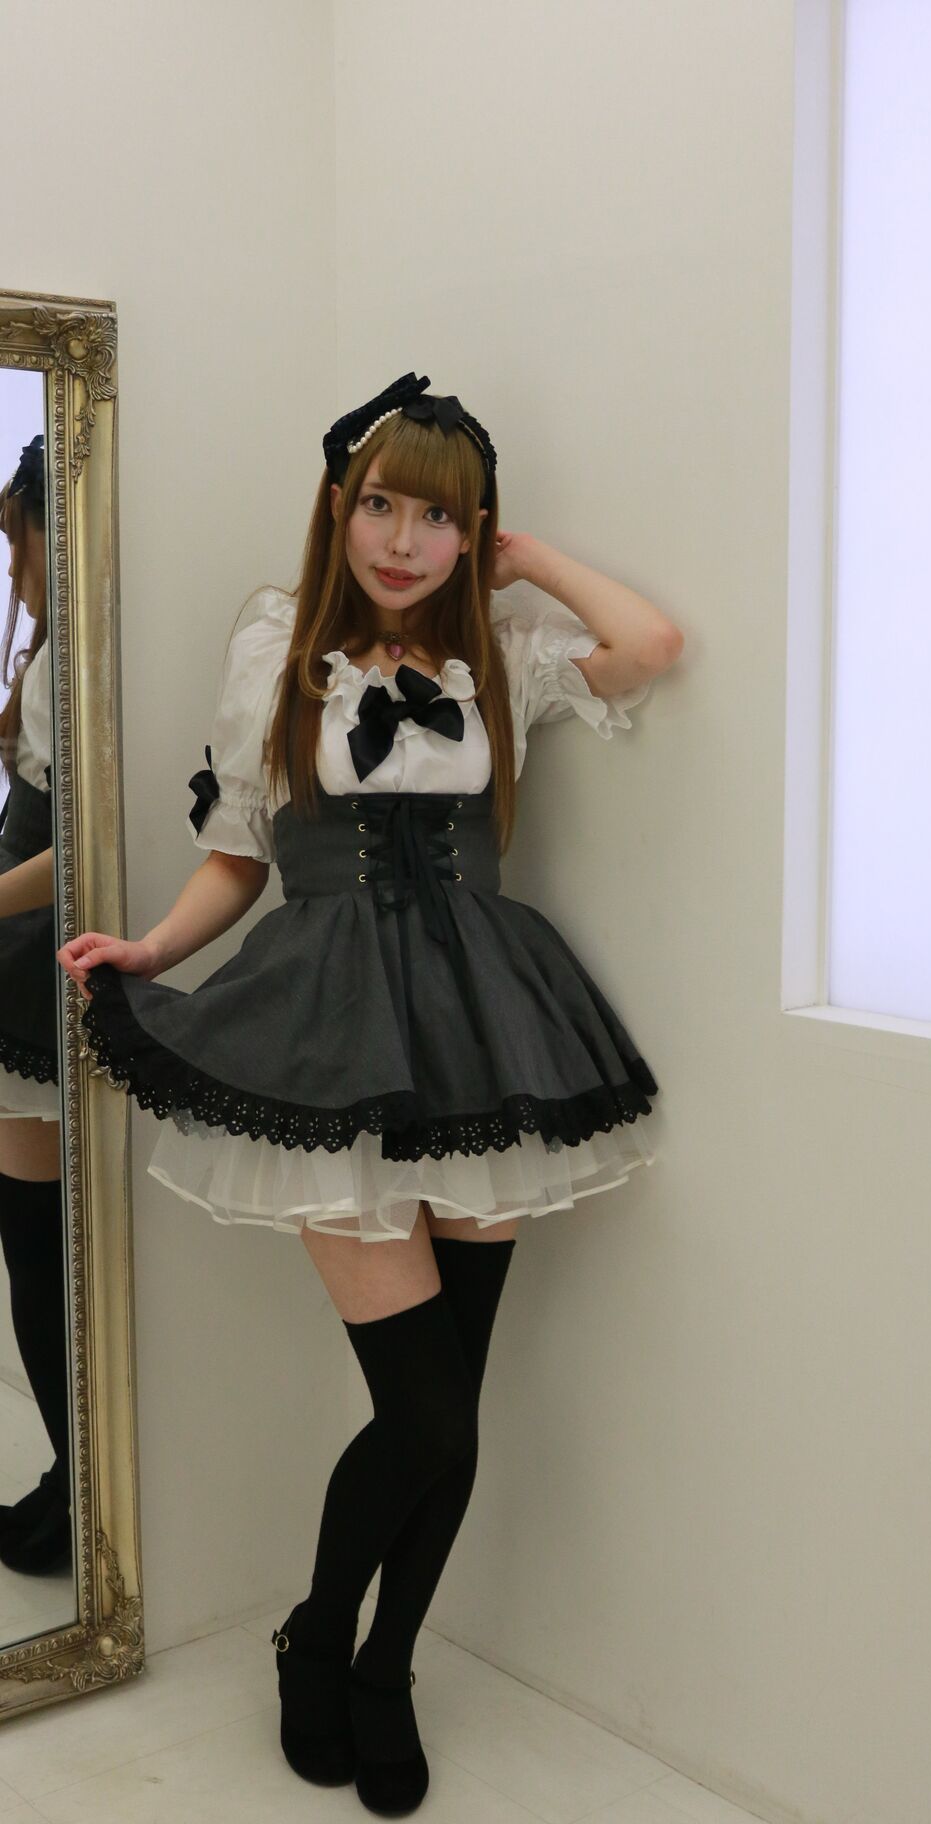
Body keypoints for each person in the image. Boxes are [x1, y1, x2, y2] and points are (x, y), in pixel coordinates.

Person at [56, 372, 683, 1816]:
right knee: (430, 1416)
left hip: (485, 1039)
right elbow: (240, 850)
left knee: (453, 1406)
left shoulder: (497, 655)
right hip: (330, 1034)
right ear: (338, 508)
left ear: (474, 533)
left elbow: (649, 645)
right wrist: (151, 951)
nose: (406, 541)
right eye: (383, 505)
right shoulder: (279, 649)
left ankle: (382, 1665)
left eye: (441, 517)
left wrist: (521, 560)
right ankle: (314, 1633)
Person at [0, 434, 72, 1576]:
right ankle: (72, 1473)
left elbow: (83, 846)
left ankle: (76, 1479)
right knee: (33, 1237)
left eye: (18, 548)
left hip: (31, 947)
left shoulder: (72, 663)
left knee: (39, 1243)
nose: (14, 573)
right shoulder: (54, 653)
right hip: (20, 935)